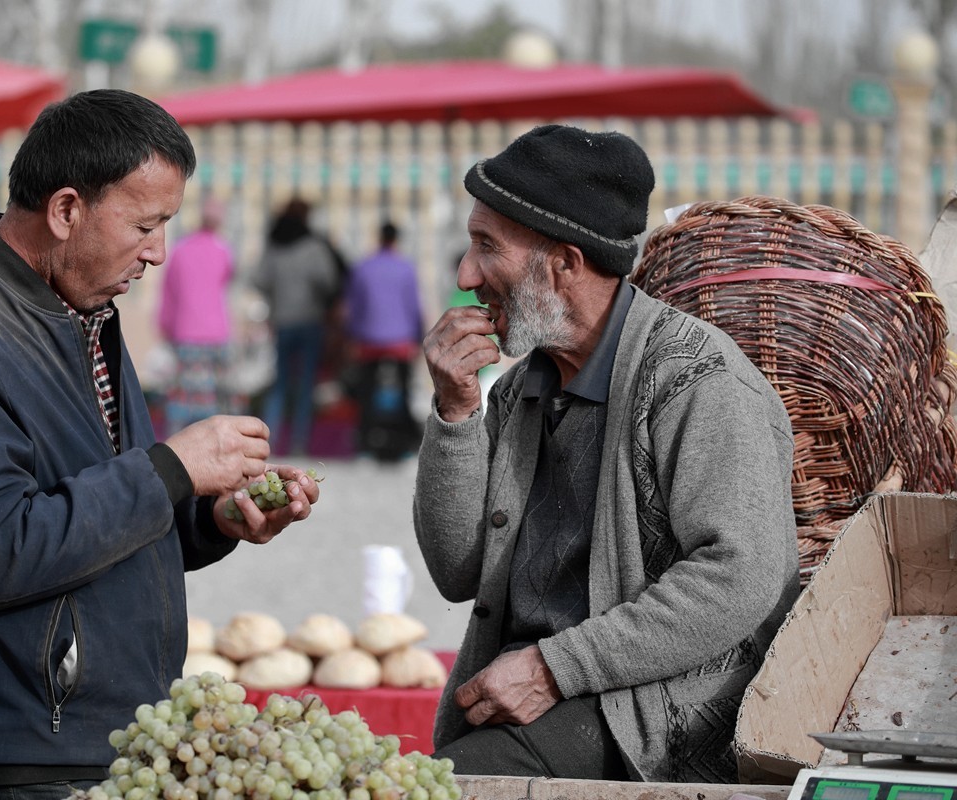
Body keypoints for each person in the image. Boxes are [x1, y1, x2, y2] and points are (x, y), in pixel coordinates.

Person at [0, 89, 321, 799]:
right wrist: (172, 468)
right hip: (13, 765)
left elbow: (89, 513)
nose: (159, 252)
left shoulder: (81, 305)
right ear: (67, 210)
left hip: (106, 745)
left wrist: (210, 516)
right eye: (145, 225)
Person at [412, 124, 799, 784]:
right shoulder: (521, 390)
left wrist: (554, 668)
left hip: (647, 717)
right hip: (531, 700)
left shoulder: (696, 380)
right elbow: (459, 572)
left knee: (439, 788)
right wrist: (454, 412)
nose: (465, 275)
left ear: (565, 263)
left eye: (487, 246)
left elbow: (741, 574)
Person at [254, 197, 340, 455]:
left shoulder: (274, 246)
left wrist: (276, 295)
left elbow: (259, 279)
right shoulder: (314, 247)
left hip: (282, 321)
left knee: (279, 384)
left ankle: (267, 442)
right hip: (309, 320)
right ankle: (299, 443)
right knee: (305, 385)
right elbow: (329, 280)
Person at [343, 220, 423, 460]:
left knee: (366, 394)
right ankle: (405, 444)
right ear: (396, 240)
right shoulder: (406, 268)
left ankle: (365, 446)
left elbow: (354, 307)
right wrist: (417, 338)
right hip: (400, 341)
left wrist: (352, 337)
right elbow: (413, 307)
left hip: (369, 340)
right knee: (403, 392)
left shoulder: (363, 267)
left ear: (379, 237)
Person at [157, 196, 235, 433]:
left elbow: (168, 293)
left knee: (183, 396)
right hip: (217, 333)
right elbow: (227, 282)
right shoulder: (223, 251)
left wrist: (165, 326)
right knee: (216, 399)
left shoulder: (181, 250)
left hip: (186, 332)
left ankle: (177, 447)